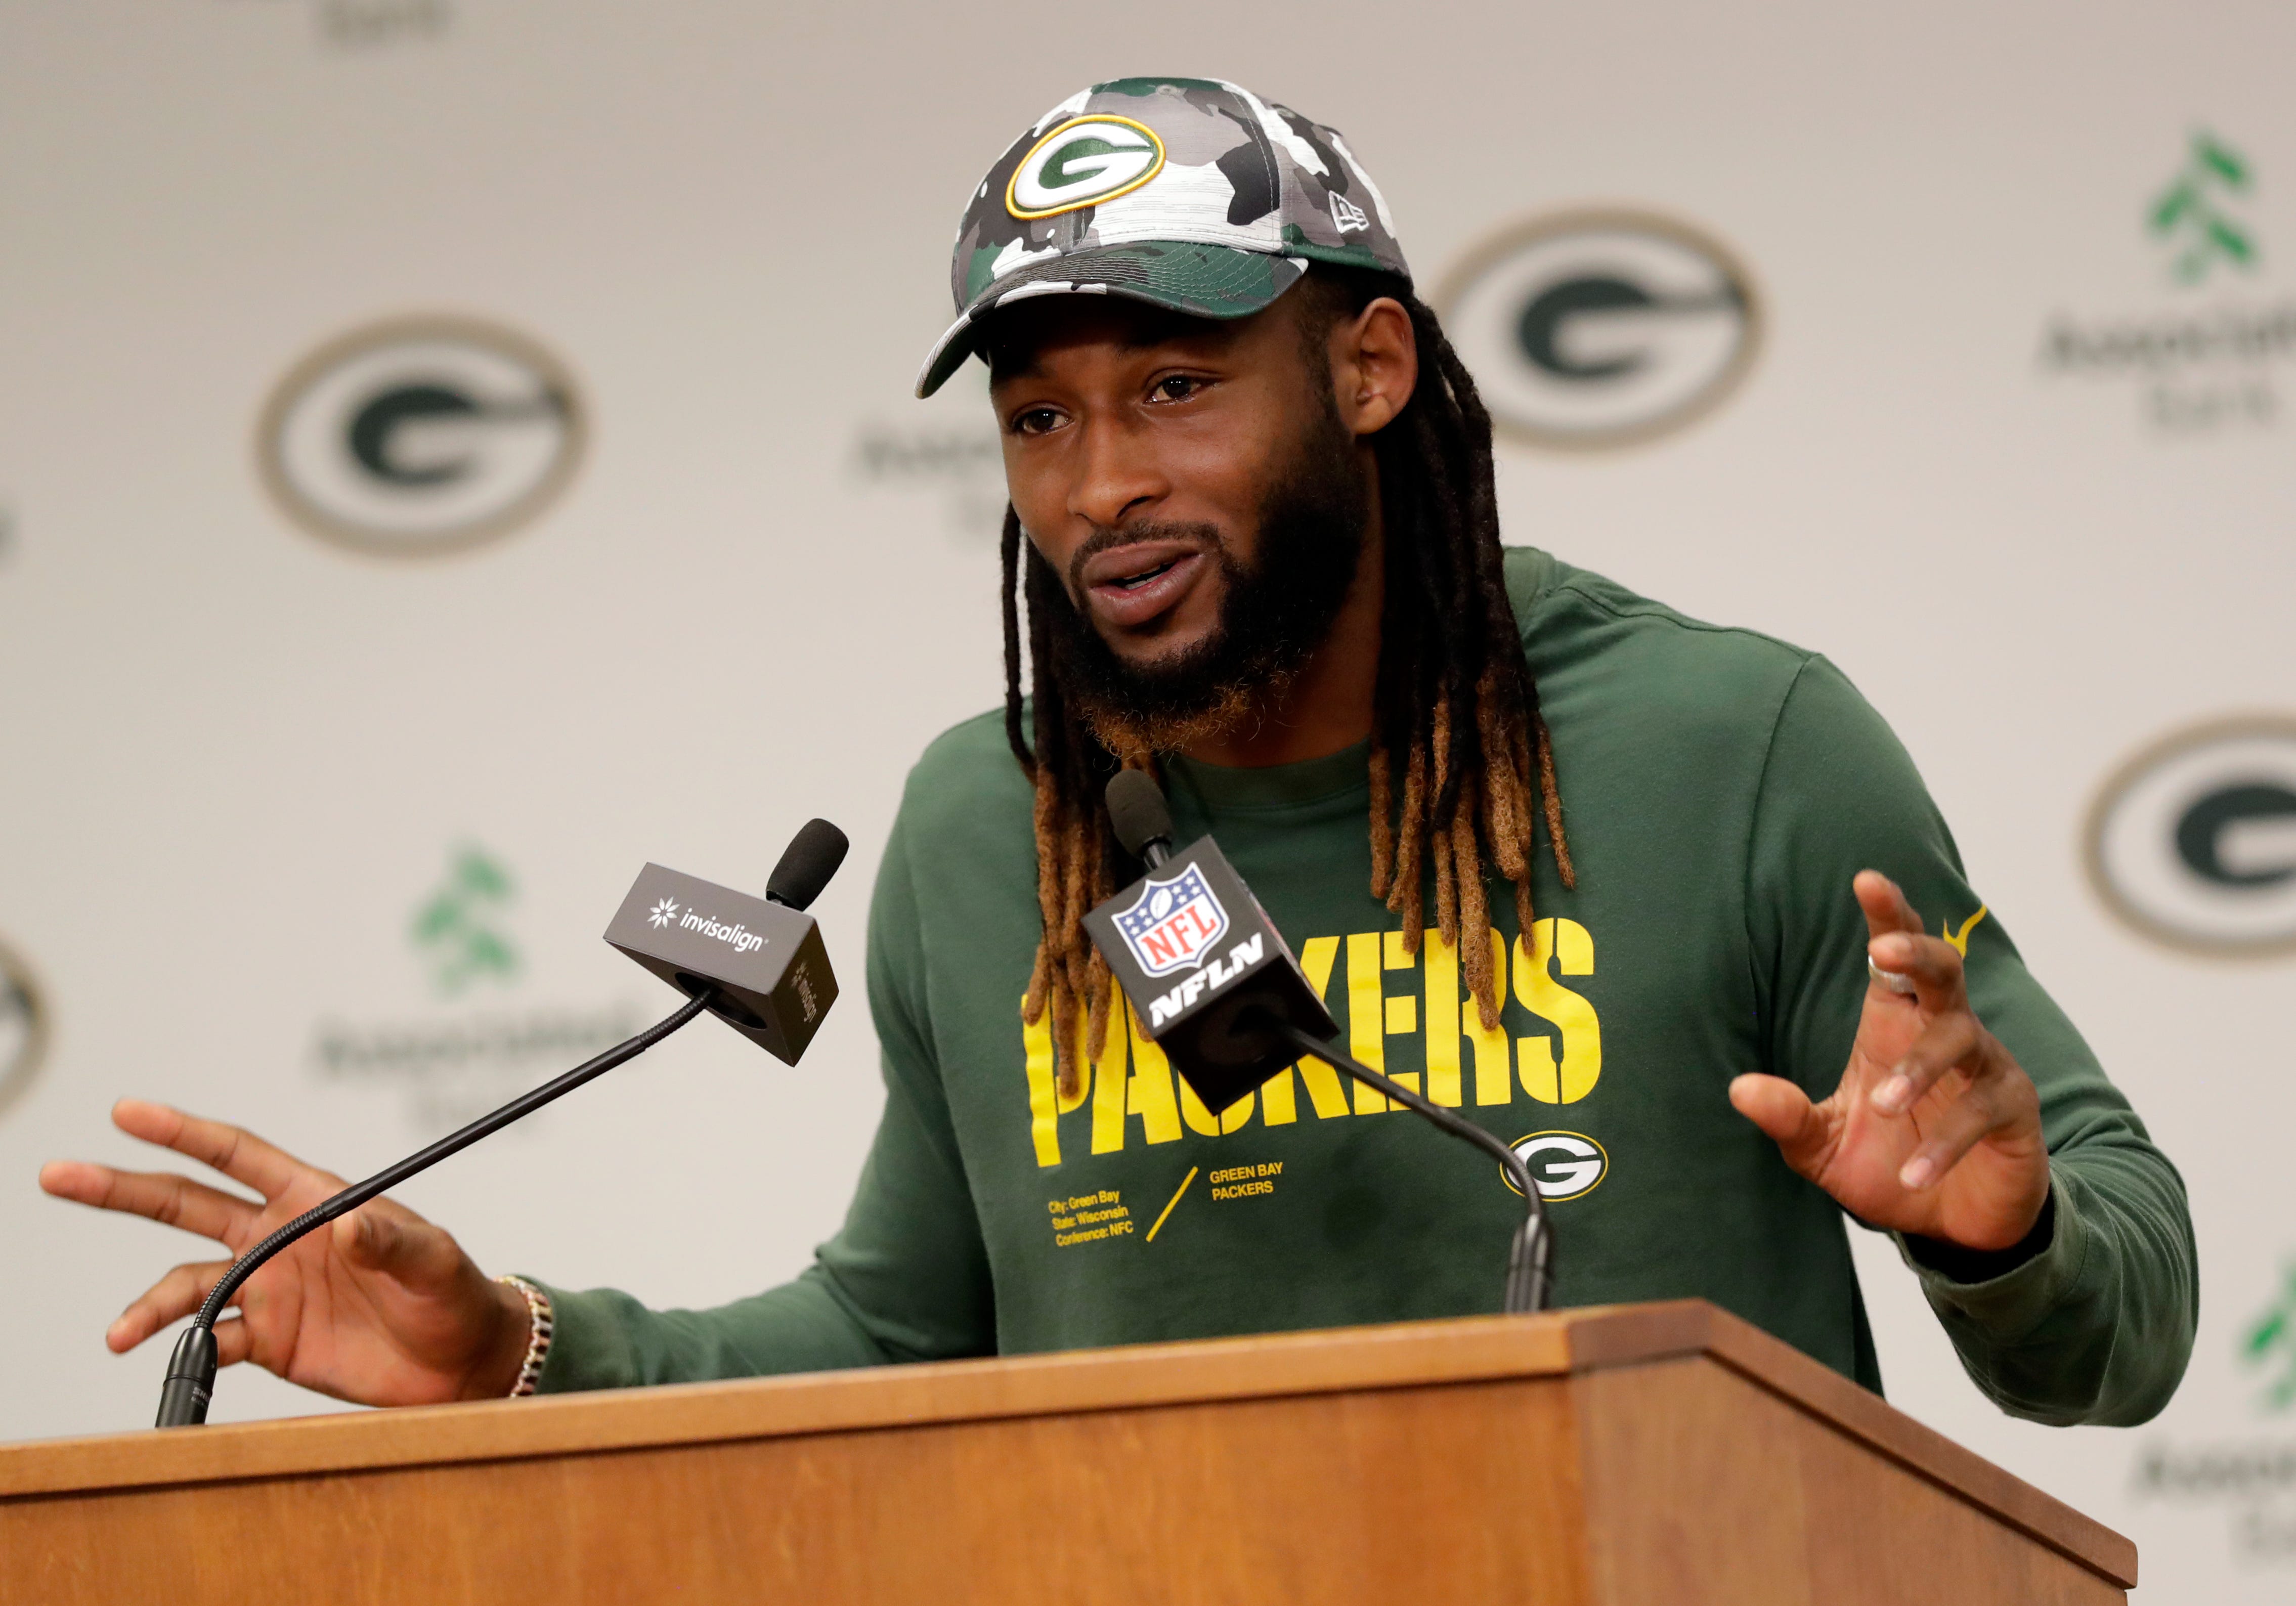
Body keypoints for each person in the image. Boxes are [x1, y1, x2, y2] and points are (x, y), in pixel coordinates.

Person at [42, 77, 2194, 1422]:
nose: (1095, 489)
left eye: (1173, 388)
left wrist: (2000, 1238)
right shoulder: (997, 827)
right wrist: (503, 1346)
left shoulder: (1736, 745)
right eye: (1039, 415)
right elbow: (906, 1337)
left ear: (1364, 370)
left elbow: (2123, 1309)